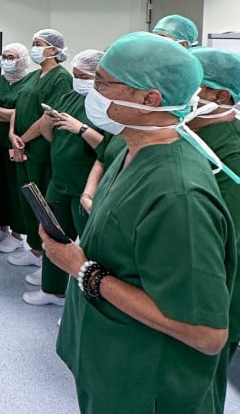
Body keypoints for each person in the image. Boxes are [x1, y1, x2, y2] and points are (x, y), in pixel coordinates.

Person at [43, 32, 236, 413]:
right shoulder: (133, 152)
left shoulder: (179, 195)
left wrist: (83, 271)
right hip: (113, 363)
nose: (93, 92)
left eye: (103, 83)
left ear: (150, 99)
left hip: (150, 384)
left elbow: (207, 333)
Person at [23, 49, 105, 306]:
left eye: (84, 76)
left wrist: (81, 129)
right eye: (76, 75)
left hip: (86, 187)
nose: (78, 80)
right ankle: (52, 290)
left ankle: (83, 305)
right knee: (54, 236)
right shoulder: (68, 97)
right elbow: (51, 137)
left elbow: (109, 150)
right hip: (59, 181)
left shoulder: (107, 107)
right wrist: (49, 121)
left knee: (88, 248)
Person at [188, 47, 240, 373]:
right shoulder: (193, 134)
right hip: (180, 289)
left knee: (200, 383)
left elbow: (222, 239)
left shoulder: (231, 154)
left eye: (190, 84)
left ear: (220, 95)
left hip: (212, 295)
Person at [8, 29, 72, 269]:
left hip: (41, 149)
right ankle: (34, 248)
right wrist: (12, 134)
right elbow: (18, 108)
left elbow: (49, 116)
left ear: (53, 50)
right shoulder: (34, 76)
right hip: (22, 146)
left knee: (42, 200)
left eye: (38, 44)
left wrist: (22, 140)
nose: (33, 48)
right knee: (27, 199)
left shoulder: (61, 78)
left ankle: (47, 256)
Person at [0, 43, 32, 254]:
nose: (6, 60)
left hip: (17, 142)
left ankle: (17, 234)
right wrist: (10, 114)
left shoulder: (30, 83)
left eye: (11, 57)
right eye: (4, 56)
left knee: (15, 187)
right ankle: (2, 228)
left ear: (22, 60)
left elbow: (25, 113)